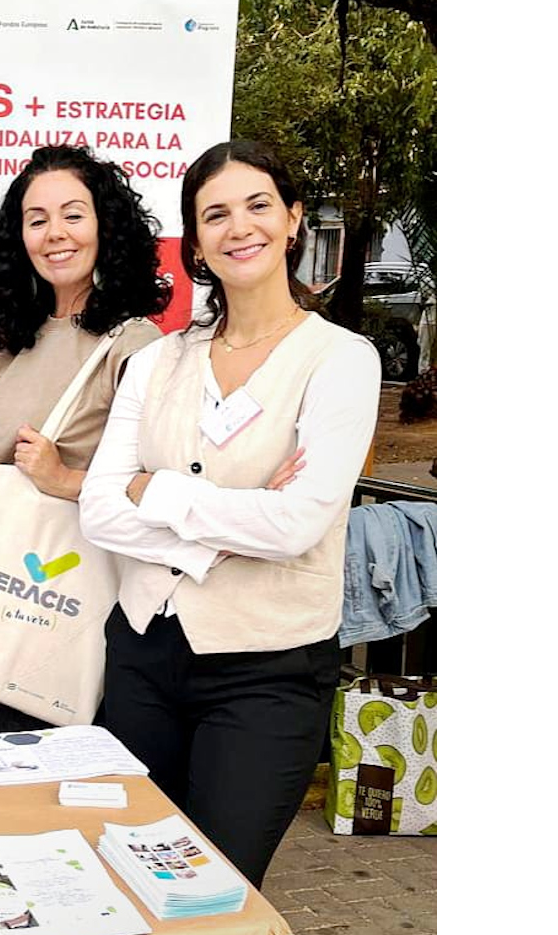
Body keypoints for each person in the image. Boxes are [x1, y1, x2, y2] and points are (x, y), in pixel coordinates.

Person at [77, 140, 381, 887]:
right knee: (134, 879)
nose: (238, 226)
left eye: (257, 206)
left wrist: (162, 492)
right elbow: (98, 511)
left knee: (213, 894)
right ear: (198, 243)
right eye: (215, 214)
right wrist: (230, 524)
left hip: (267, 673)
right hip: (145, 657)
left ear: (292, 221)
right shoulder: (157, 362)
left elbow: (298, 526)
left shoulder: (340, 359)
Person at [0, 143, 172, 733]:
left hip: (76, 612)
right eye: (36, 220)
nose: (54, 233)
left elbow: (159, 489)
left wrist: (64, 480)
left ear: (104, 226)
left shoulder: (134, 343)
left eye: (72, 214)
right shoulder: (15, 340)